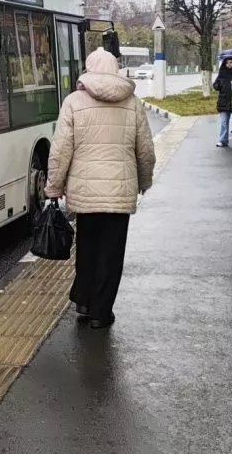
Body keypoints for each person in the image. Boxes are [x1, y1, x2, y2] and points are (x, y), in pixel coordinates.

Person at [44, 47, 156, 329]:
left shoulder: (73, 101)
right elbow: (145, 150)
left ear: (88, 69)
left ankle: (84, 300)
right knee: (111, 252)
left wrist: (53, 188)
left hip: (85, 191)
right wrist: (144, 181)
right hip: (120, 191)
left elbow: (60, 151)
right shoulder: (133, 103)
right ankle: (101, 312)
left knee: (87, 247)